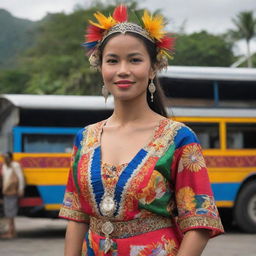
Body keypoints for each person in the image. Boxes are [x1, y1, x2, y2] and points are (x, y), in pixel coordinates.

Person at [59, 5, 224, 255]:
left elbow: (199, 222)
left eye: (134, 60)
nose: (122, 70)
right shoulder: (85, 138)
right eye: (112, 60)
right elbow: (77, 213)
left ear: (153, 68)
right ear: (100, 67)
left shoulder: (178, 139)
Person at [0, 152, 25, 239]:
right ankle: (12, 231)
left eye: (6, 157)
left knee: (10, 212)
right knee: (8, 212)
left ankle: (11, 232)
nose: (4, 159)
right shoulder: (4, 166)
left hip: (12, 192)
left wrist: (21, 189)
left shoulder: (15, 165)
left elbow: (20, 177)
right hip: (6, 191)